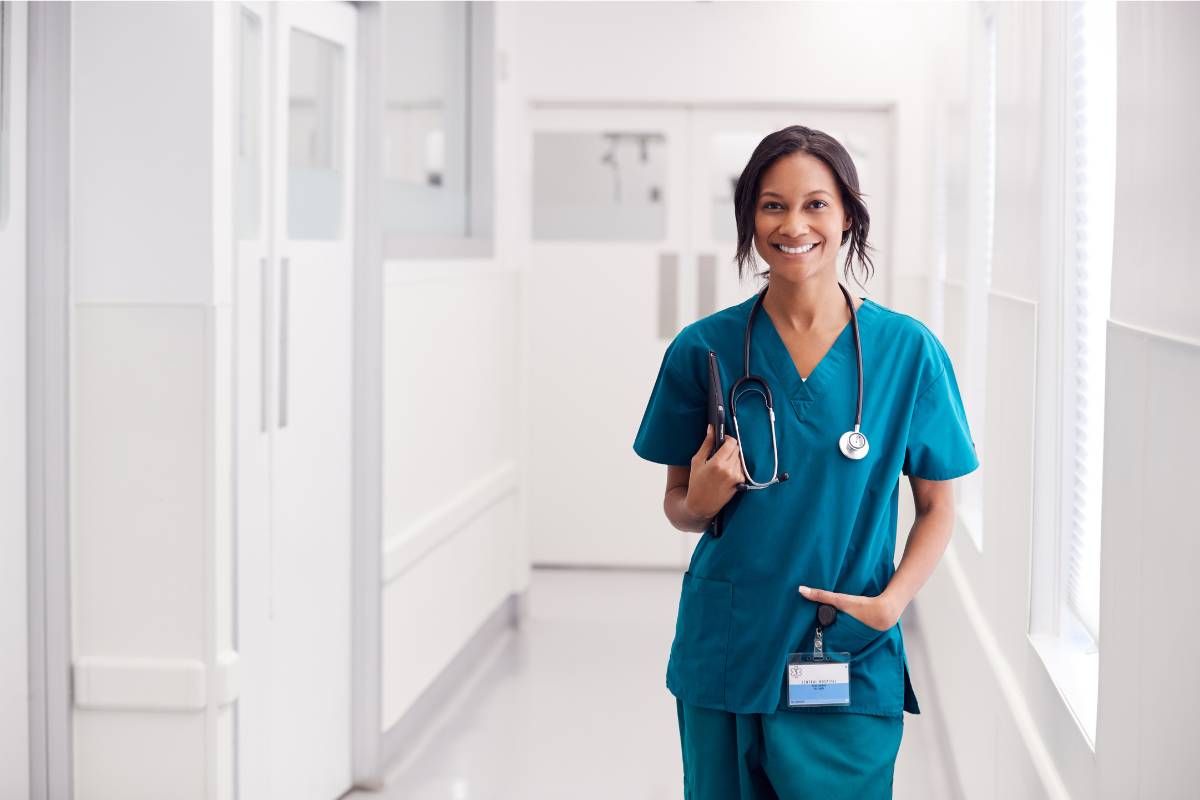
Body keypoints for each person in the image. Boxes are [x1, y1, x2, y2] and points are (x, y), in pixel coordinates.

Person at [632, 125, 979, 800]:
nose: (794, 224)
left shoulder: (907, 353)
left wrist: (890, 604)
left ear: (848, 214)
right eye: (772, 205)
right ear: (749, 220)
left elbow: (938, 507)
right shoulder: (702, 350)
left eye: (816, 204)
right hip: (727, 647)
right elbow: (678, 504)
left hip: (844, 651)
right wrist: (700, 499)